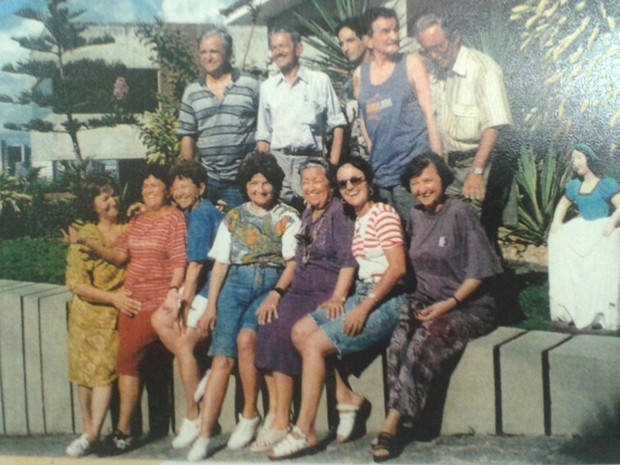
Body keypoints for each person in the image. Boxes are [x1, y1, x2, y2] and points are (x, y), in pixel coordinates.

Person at [268, 156, 407, 460]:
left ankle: (304, 430)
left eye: (355, 180)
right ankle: (347, 398)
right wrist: (341, 298)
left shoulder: (383, 214)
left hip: (389, 299)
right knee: (300, 331)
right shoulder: (355, 216)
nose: (349, 187)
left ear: (369, 183)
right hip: (363, 294)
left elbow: (397, 269)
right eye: (343, 182)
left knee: (315, 345)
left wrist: (363, 308)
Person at [372, 152, 502, 462]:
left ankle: (392, 425)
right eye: (415, 183)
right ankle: (404, 413)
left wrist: (448, 304)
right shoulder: (415, 216)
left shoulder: (461, 214)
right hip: (426, 301)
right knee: (399, 340)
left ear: (443, 180)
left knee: (425, 339)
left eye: (428, 180)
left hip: (468, 306)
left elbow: (480, 272)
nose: (421, 189)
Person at [187, 152, 301, 461]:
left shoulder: (289, 216)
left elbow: (293, 263)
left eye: (266, 183)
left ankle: (250, 414)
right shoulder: (233, 217)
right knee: (221, 359)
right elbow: (221, 264)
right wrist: (210, 306)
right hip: (235, 284)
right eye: (253, 183)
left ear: (275, 185)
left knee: (246, 339)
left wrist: (277, 293)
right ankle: (205, 435)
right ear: (245, 186)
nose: (260, 189)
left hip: (270, 284)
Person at [71, 165, 187, 455]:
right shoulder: (137, 221)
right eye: (145, 187)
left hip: (155, 301)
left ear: (168, 190)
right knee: (126, 364)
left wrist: (173, 293)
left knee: (127, 360)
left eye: (155, 186)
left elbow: (179, 261)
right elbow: (119, 255)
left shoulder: (174, 218)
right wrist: (89, 243)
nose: (150, 191)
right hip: (132, 302)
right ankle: (121, 431)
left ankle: (123, 432)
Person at [252, 157, 357, 452]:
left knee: (285, 329)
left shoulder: (340, 213)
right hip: (300, 288)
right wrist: (276, 292)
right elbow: (297, 261)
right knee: (266, 323)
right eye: (305, 182)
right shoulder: (308, 213)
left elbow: (348, 260)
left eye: (316, 181)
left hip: (323, 290)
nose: (310, 187)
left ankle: (283, 418)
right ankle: (275, 413)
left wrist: (338, 296)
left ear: (330, 184)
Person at [414, 13, 512, 244]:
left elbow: (494, 125)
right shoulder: (437, 72)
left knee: (474, 236)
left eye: (438, 47)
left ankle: (487, 280)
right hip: (450, 166)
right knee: (452, 232)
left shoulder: (483, 69)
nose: (434, 56)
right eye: (427, 50)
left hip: (479, 163)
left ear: (455, 38)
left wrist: (476, 172)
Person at [62, 176, 141, 457]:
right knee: (84, 375)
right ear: (92, 205)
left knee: (104, 374)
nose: (112, 201)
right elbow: (76, 283)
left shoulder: (129, 229)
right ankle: (88, 431)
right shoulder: (83, 235)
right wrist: (113, 297)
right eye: (104, 198)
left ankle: (92, 433)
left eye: (113, 195)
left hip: (115, 315)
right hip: (86, 314)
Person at [150, 160, 223, 449]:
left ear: (200, 188)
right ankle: (198, 372)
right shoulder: (192, 212)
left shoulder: (203, 213)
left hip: (212, 290)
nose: (179, 191)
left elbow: (196, 265)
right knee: (159, 320)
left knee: (182, 343)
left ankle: (194, 415)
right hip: (200, 286)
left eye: (186, 185)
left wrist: (184, 301)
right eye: (176, 186)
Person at [354, 7, 442, 221]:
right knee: (390, 239)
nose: (394, 36)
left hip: (413, 171)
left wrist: (438, 160)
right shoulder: (360, 75)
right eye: (385, 31)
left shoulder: (410, 62)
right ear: (368, 40)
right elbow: (365, 120)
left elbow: (429, 112)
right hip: (382, 174)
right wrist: (373, 152)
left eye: (395, 30)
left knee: (418, 238)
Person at [256, 27, 347, 210]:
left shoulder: (319, 81)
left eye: (283, 46)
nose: (278, 52)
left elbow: (338, 124)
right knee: (281, 217)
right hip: (279, 162)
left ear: (298, 48)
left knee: (313, 215)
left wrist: (333, 164)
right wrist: (265, 170)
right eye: (274, 48)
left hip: (310, 161)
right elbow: (264, 135)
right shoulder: (267, 87)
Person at [177, 26, 260, 210]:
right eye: (203, 52)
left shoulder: (250, 85)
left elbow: (265, 128)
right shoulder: (192, 92)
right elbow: (187, 136)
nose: (208, 57)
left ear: (228, 53)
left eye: (214, 51)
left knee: (238, 233)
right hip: (208, 181)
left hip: (242, 180)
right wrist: (191, 179)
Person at [549, 143, 620, 331]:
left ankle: (598, 312)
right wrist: (557, 222)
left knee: (598, 272)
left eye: (579, 157)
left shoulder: (605, 185)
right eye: (574, 158)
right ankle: (573, 308)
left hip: (600, 230)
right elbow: (563, 204)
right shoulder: (574, 186)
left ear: (591, 159)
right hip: (581, 230)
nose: (575, 162)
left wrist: (611, 223)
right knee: (574, 269)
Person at [336, 16, 370, 159]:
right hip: (357, 164)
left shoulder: (385, 78)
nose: (345, 48)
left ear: (366, 39)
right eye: (341, 43)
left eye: (350, 40)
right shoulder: (347, 86)